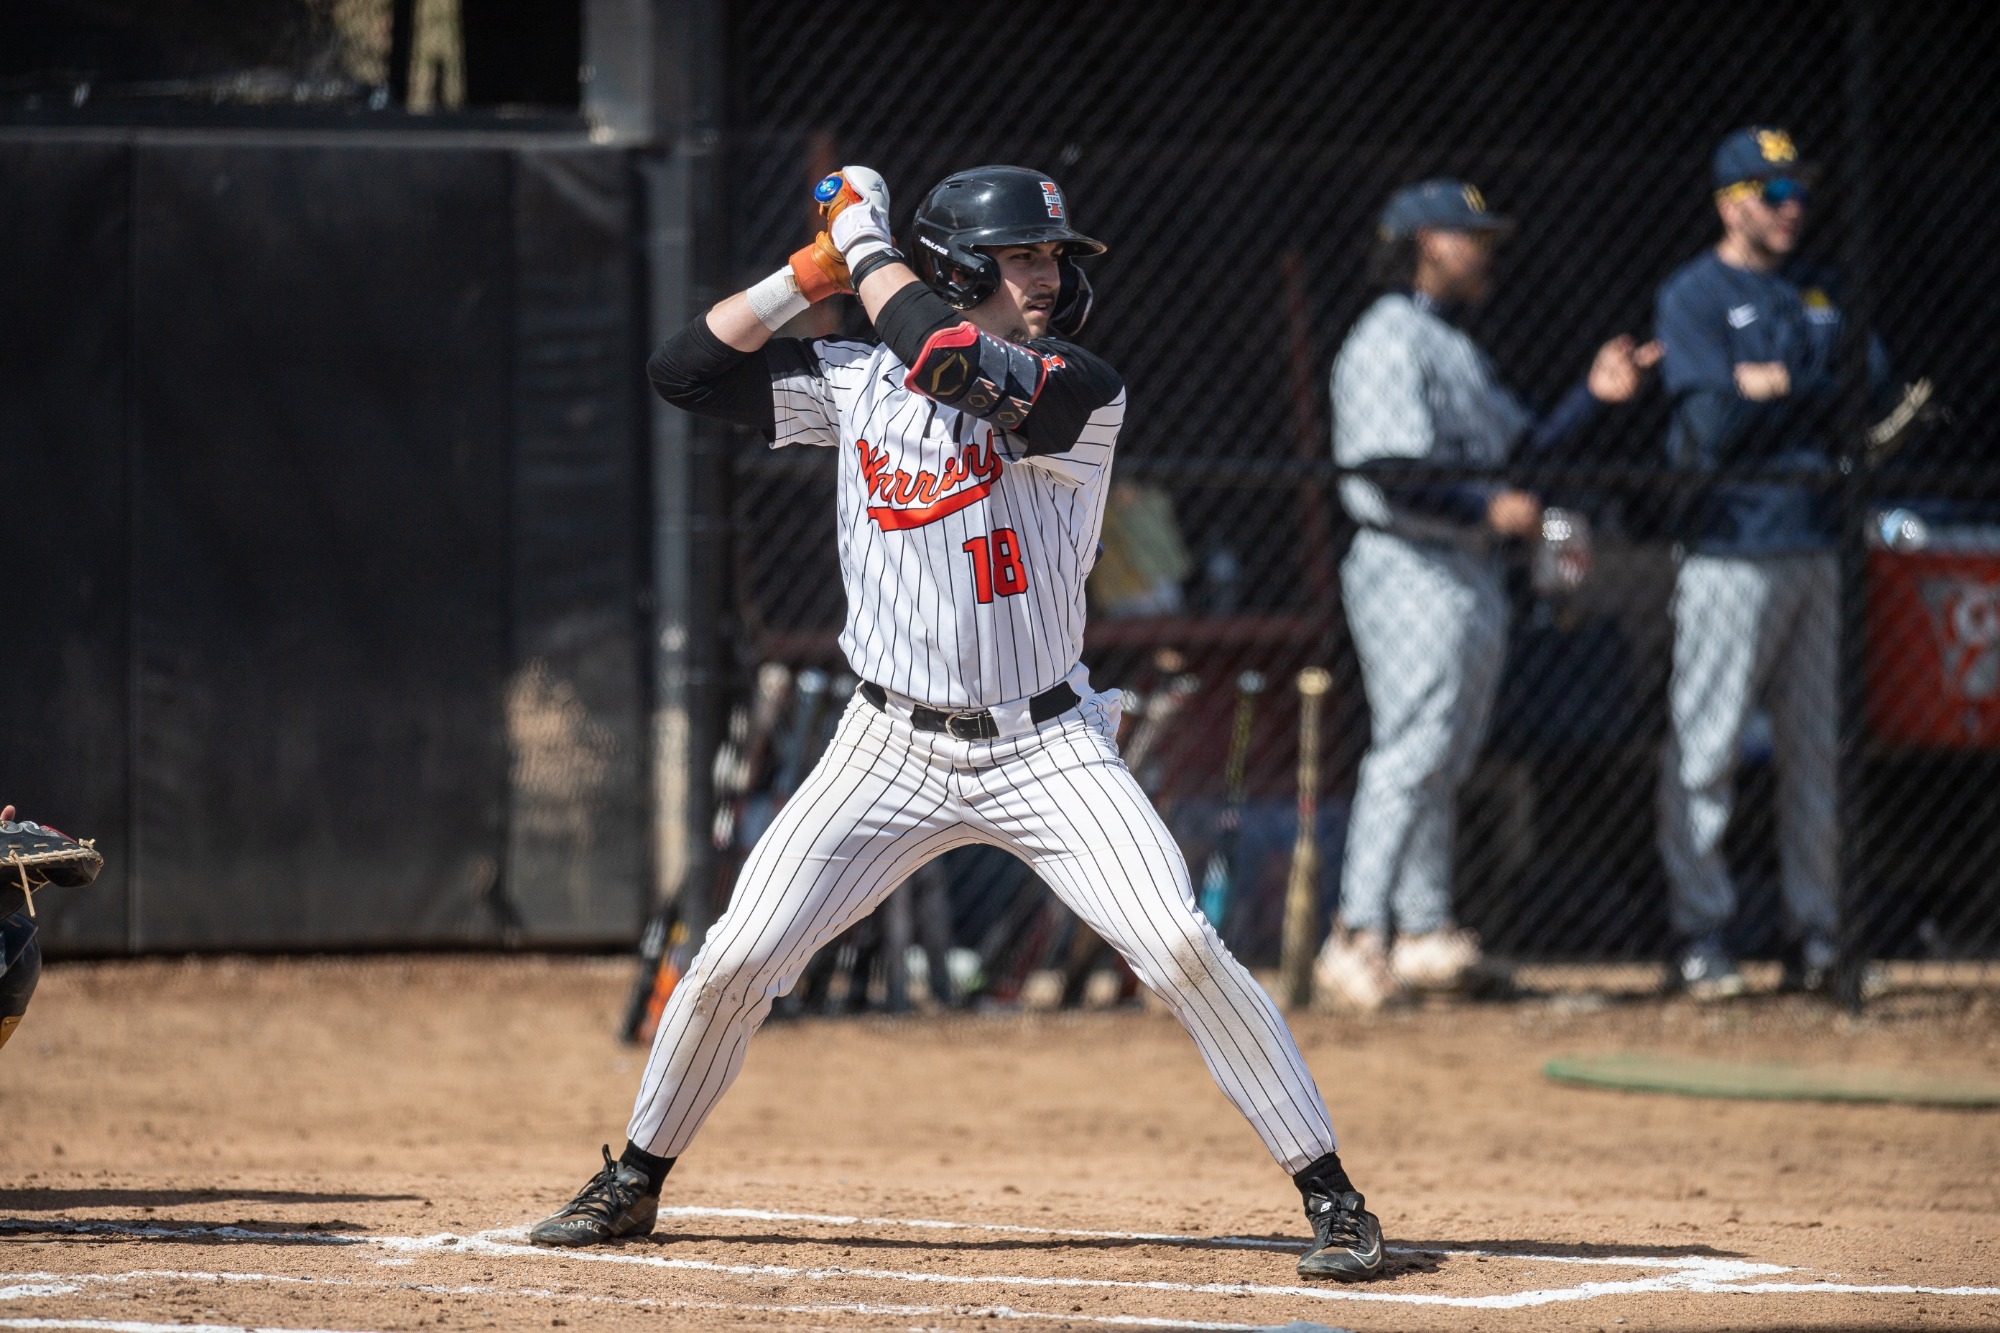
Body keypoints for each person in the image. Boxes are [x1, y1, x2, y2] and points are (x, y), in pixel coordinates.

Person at [528, 164, 1386, 1281]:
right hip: (884, 745)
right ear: (959, 266)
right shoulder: (854, 380)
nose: (1045, 276)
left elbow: (947, 360)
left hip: (1045, 744)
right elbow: (685, 372)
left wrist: (868, 244)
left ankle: (1330, 1195)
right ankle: (636, 1176)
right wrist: (813, 270)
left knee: (1177, 942)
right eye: (1022, 256)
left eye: (1051, 259)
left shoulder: (1078, 384)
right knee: (737, 955)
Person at [1315, 180, 1659, 1012]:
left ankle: (1423, 930)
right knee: (1411, 750)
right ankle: (1356, 934)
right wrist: (1481, 507)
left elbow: (1524, 451)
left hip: (1459, 567)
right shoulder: (1386, 340)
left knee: (1445, 752)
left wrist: (1593, 397)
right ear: (1428, 241)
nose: (1487, 251)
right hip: (1409, 560)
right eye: (1472, 236)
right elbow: (1386, 471)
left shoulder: (1452, 346)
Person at [1653, 127, 1890, 999]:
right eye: (1774, 193)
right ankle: (1699, 932)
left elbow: (1870, 387)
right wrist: (1798, 389)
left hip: (1816, 542)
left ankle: (1818, 931)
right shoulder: (1694, 292)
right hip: (1731, 547)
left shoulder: (1816, 291)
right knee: (1705, 746)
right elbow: (1709, 425)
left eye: (1799, 193)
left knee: (1818, 751)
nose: (1794, 209)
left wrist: (1773, 385)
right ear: (1730, 201)